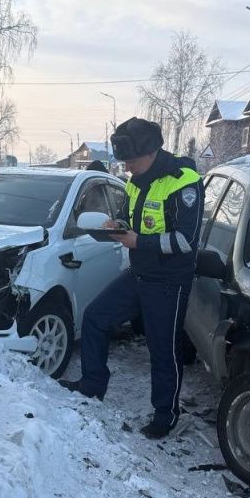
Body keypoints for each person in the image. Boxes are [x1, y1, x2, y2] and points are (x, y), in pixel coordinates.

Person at [60, 117, 204, 439]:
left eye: (131, 160)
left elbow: (186, 240)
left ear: (151, 151)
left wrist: (139, 241)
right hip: (139, 273)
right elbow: (130, 217)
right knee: (96, 318)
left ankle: (166, 415)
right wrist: (116, 224)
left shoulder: (184, 180)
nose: (127, 166)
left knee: (163, 350)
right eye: (123, 161)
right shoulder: (136, 182)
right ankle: (92, 385)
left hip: (169, 282)